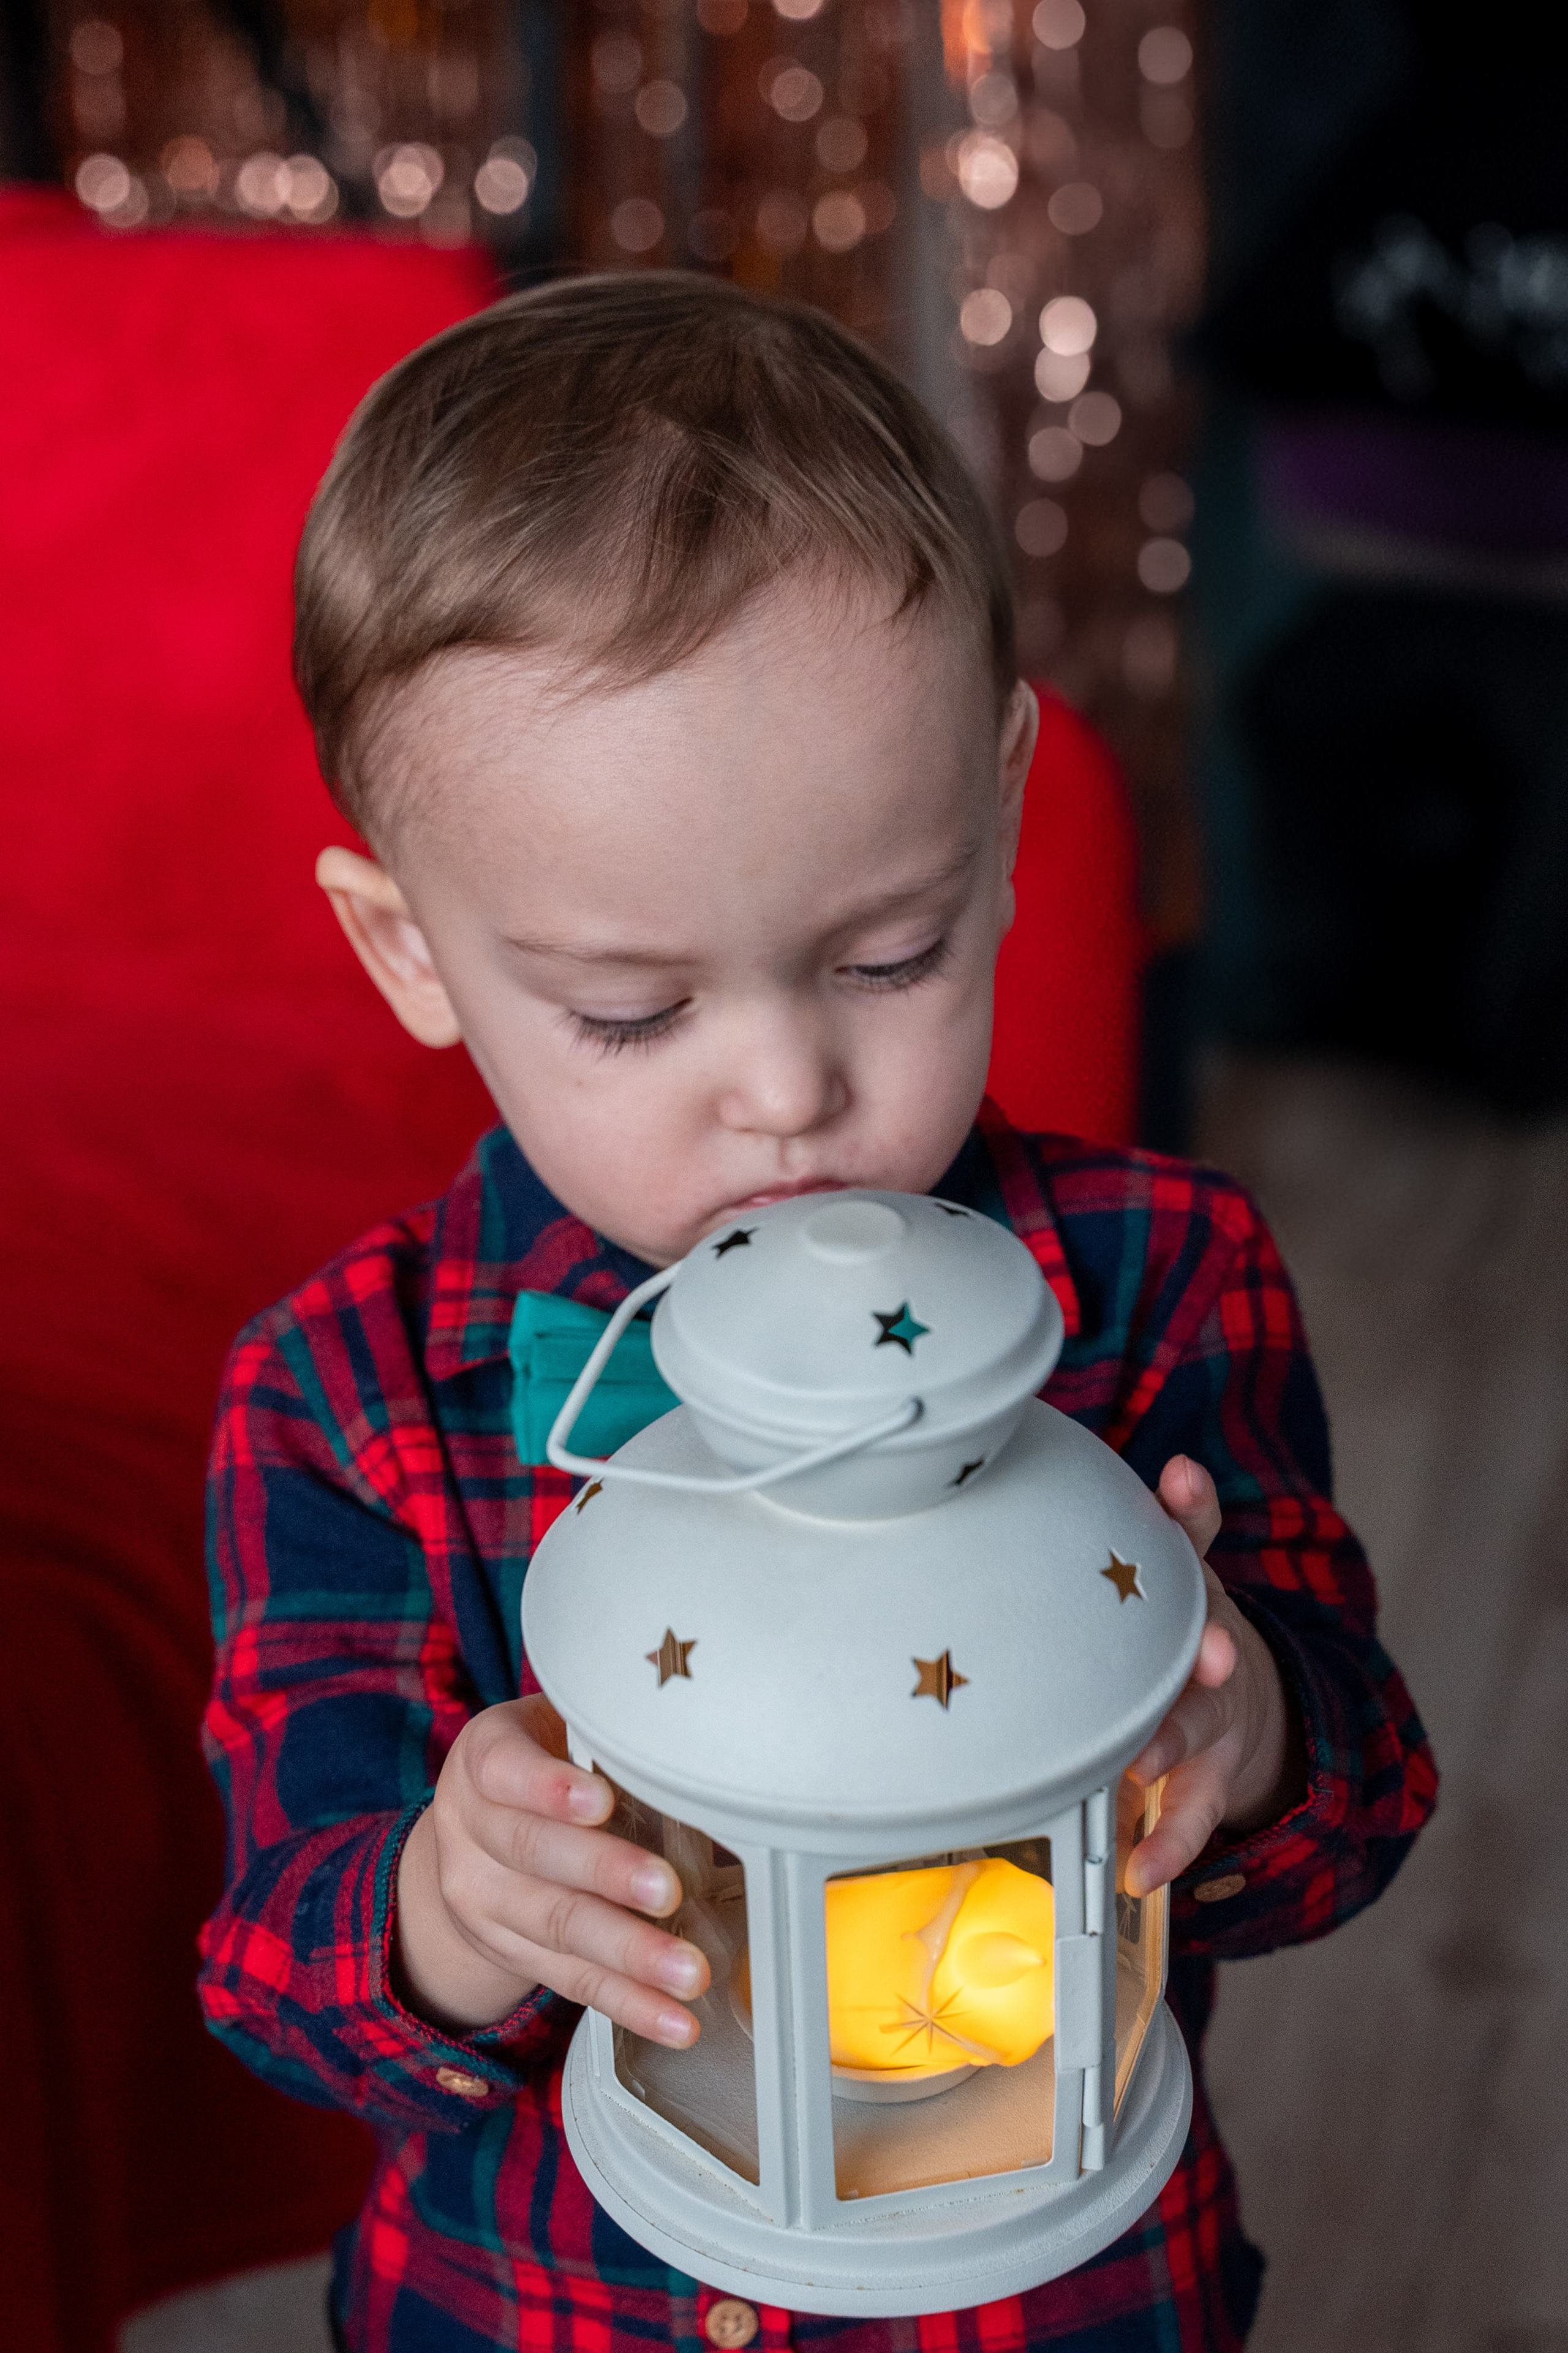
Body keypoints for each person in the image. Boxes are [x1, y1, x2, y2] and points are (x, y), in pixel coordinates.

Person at [198, 274, 1436, 2353]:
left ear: (1007, 819)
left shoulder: (1157, 1282)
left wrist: (1253, 1726)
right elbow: (273, 1969)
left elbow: (1362, 1803)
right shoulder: (347, 1394)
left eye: (887, 954)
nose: (784, 1093)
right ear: (414, 954)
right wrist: (447, 1906)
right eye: (634, 1009)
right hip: (531, 2311)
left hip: (1054, 2301)